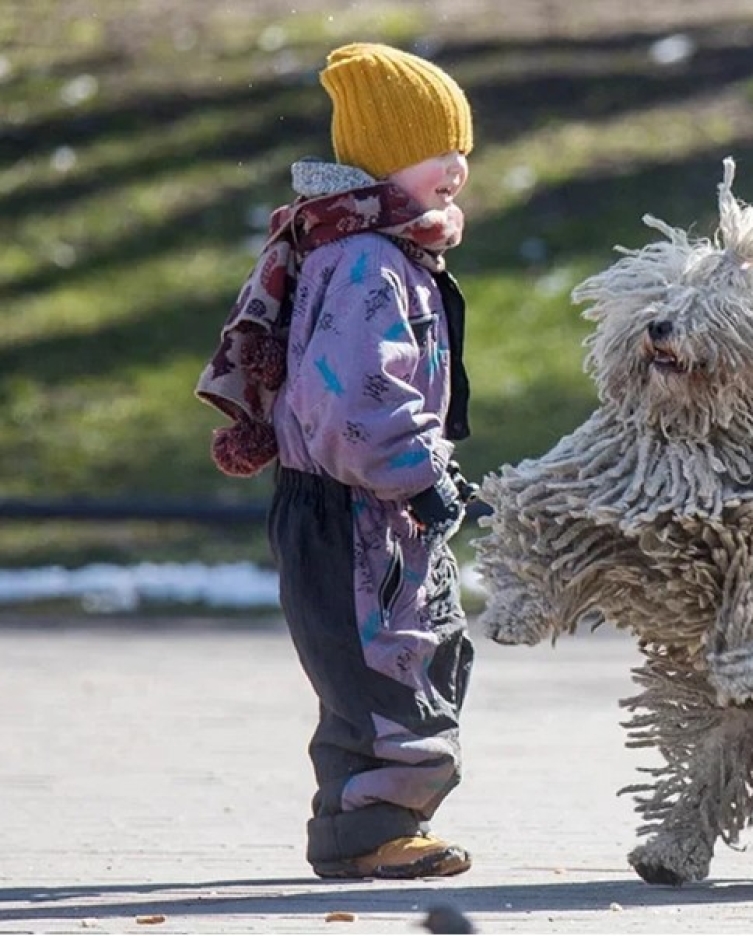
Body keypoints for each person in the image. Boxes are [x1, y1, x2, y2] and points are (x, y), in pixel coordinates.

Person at [196, 42, 478, 879]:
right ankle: (368, 831)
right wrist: (415, 472)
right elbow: (352, 396)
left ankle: (362, 820)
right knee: (388, 667)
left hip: (371, 501)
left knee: (416, 651)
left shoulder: (382, 248)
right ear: (387, 157)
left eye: (464, 145)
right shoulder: (366, 262)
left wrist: (425, 473)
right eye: (439, 147)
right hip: (355, 505)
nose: (459, 166)